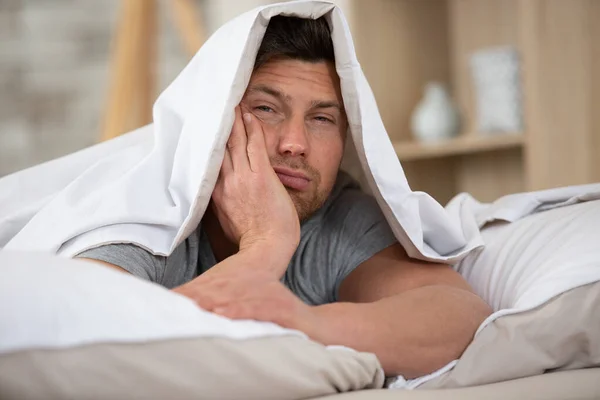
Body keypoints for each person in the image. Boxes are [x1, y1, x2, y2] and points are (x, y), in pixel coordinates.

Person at [78, 16, 492, 378]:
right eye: (267, 108)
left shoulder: (339, 214)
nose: (295, 143)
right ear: (213, 119)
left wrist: (302, 324)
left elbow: (462, 317)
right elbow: (86, 342)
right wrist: (265, 246)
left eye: (322, 118)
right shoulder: (142, 211)